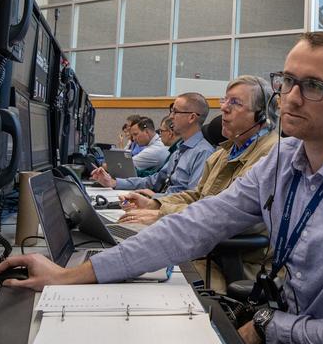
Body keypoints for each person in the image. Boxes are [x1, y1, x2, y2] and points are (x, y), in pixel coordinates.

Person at [0, 32, 323, 344]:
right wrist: (73, 276)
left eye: (315, 86)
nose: (291, 98)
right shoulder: (285, 159)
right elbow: (197, 223)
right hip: (281, 337)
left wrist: (267, 326)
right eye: (287, 81)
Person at [117, 75, 281, 283]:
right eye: (225, 100)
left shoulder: (272, 155)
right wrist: (155, 203)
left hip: (235, 264)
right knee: (134, 258)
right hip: (203, 248)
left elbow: (236, 220)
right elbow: (198, 195)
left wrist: (161, 214)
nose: (224, 108)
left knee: (143, 281)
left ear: (261, 116)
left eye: (235, 103)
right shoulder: (224, 152)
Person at [89, 93, 214, 196]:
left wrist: (155, 197)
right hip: (161, 206)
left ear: (192, 118)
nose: (171, 117)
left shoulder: (203, 153)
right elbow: (154, 181)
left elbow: (192, 199)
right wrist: (114, 183)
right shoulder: (179, 150)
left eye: (175, 112)